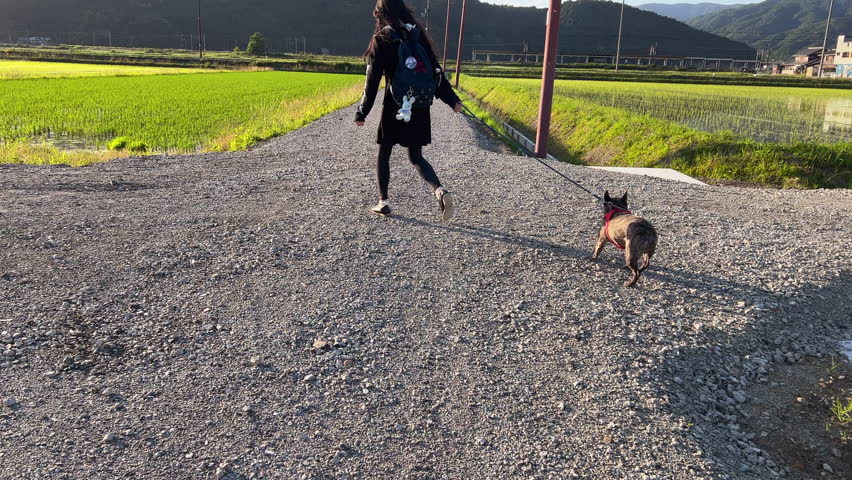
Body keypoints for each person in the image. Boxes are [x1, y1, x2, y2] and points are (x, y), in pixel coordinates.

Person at [355, 0, 464, 222]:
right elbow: (436, 72)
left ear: (382, 15)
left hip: (395, 105)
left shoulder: (383, 38)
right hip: (420, 105)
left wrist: (363, 111)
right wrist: (452, 100)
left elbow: (372, 80)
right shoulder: (418, 37)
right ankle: (440, 191)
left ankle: (383, 202)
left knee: (385, 152)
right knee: (416, 156)